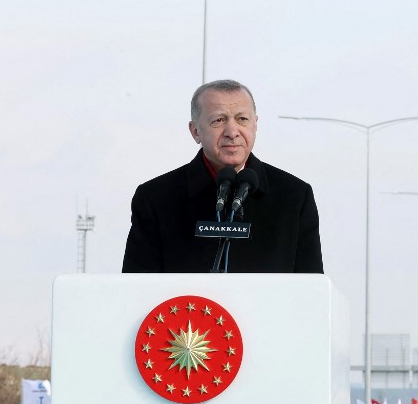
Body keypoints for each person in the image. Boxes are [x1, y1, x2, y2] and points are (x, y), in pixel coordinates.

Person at [121, 79, 323, 273]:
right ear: (195, 131)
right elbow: (137, 290)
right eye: (218, 120)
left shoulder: (294, 196)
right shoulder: (155, 198)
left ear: (255, 125)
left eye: (242, 119)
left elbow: (312, 291)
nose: (232, 131)